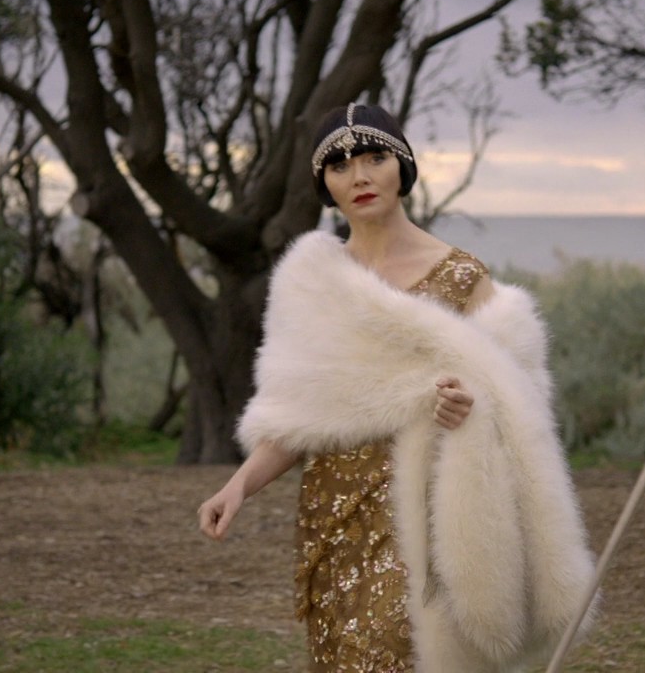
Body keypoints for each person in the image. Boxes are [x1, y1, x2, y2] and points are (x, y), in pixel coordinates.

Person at [198, 103, 596, 672]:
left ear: (401, 167)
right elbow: (296, 415)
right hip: (335, 515)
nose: (358, 176)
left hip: (431, 516)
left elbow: (521, 405)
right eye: (339, 166)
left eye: (374, 158)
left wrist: (470, 409)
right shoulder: (313, 284)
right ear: (325, 185)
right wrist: (238, 487)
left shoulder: (462, 278)